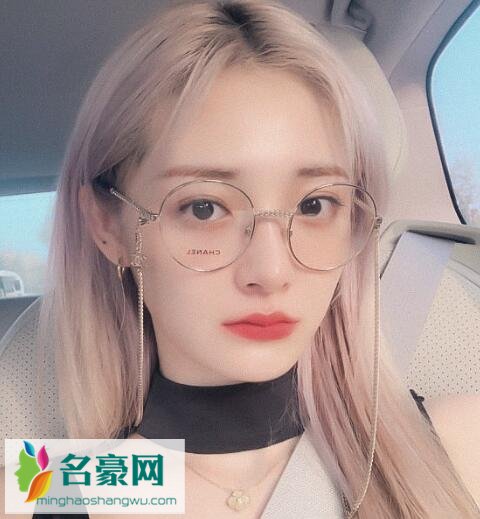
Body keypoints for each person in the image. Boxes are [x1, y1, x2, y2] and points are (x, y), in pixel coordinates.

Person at [25, 0, 479, 517]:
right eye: (204, 208)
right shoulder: (45, 488)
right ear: (107, 226)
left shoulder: (462, 444)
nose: (271, 271)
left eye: (314, 206)